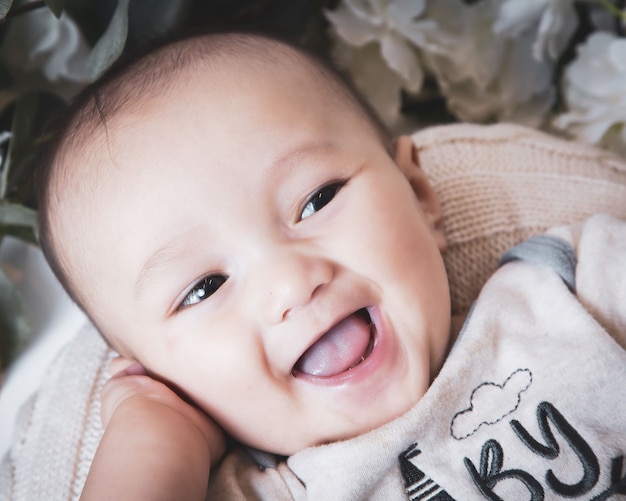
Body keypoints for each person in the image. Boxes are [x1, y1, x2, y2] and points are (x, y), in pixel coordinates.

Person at [35, 31, 626, 500]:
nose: (291, 281)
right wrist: (156, 432)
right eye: (205, 287)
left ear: (419, 195)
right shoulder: (272, 491)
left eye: (317, 199)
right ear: (159, 375)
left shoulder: (565, 295)